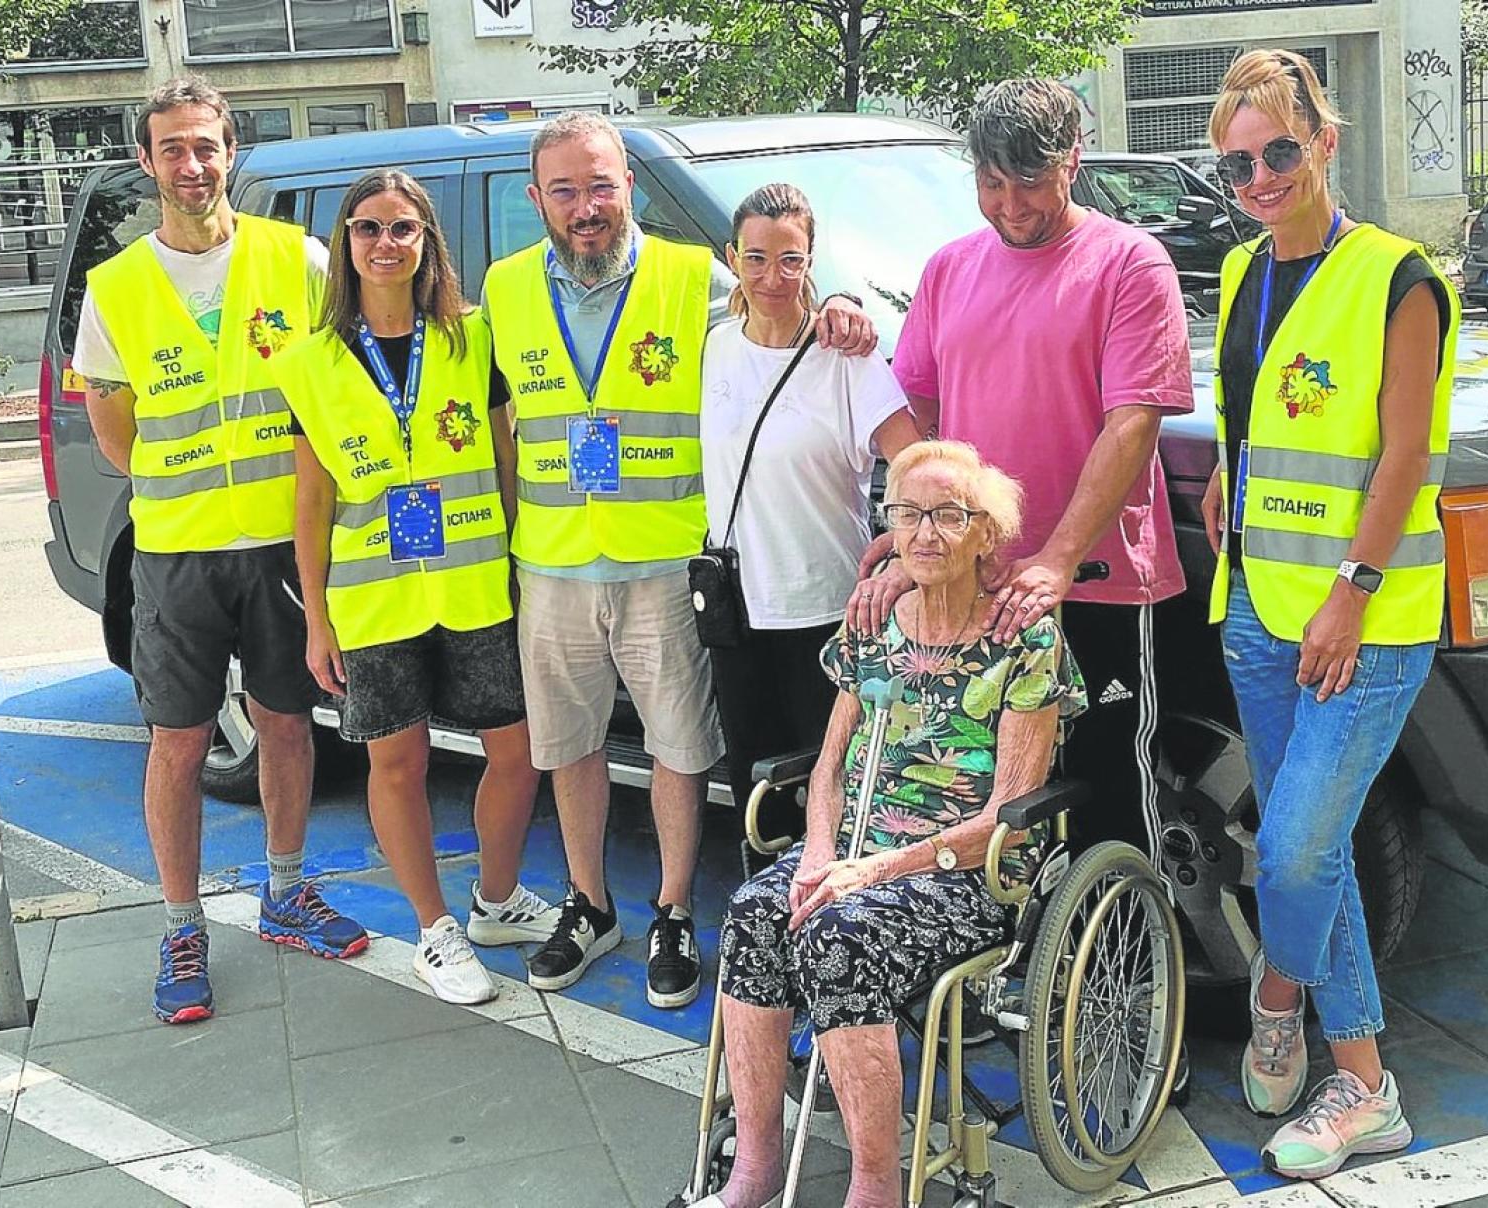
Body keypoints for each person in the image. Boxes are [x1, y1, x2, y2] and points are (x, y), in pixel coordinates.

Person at [482, 112, 876, 1010]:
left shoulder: (690, 275)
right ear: (536, 197)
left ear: (629, 186)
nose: (587, 207)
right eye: (566, 190)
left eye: (602, 186)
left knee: (680, 747)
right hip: (550, 563)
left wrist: (841, 303)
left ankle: (669, 911)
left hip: (667, 562)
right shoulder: (502, 290)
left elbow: (778, 305)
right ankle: (588, 904)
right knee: (569, 745)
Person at [703, 441, 1085, 1208]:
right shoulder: (876, 623)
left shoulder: (1025, 639)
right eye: (908, 514)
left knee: (838, 937)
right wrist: (819, 853)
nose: (926, 533)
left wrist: (869, 873)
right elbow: (829, 768)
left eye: (950, 515)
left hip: (966, 871)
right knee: (753, 913)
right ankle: (753, 1169)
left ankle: (875, 1188)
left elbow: (1004, 811)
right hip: (849, 852)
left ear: (988, 533)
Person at [1197, 50, 1456, 1180]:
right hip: (1256, 604)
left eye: (1278, 152)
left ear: (1324, 143)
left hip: (1363, 616)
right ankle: (1347, 1066)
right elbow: (1254, 414)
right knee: (1310, 845)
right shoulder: (1245, 272)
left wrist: (1352, 593)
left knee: (1296, 855)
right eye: (1237, 162)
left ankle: (1301, 1013)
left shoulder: (1400, 276)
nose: (1258, 176)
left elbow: (1405, 451)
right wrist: (1226, 475)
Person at [74, 76, 366, 1024]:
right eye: (172, 149)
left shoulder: (300, 257)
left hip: (288, 545)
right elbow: (115, 439)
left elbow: (342, 380)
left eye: (206, 145)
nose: (192, 165)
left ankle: (285, 891)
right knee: (179, 743)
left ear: (230, 151)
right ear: (147, 162)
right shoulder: (115, 288)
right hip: (179, 552)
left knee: (287, 722)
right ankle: (182, 925)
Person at [855, 78, 1195, 858]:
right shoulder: (948, 269)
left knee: (1107, 790)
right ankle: (1015, 969)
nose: (1010, 205)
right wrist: (916, 532)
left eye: (1031, 183)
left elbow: (1132, 423)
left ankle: (1125, 966)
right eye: (991, 184)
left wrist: (1057, 559)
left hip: (1098, 582)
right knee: (988, 799)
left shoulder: (1130, 264)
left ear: (1072, 161)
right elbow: (915, 427)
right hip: (976, 579)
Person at [273, 169, 558, 1006]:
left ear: (428, 240)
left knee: (516, 753)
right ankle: (435, 931)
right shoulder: (312, 362)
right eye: (368, 229)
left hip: (476, 587)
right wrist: (316, 618)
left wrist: (525, 564)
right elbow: (312, 498)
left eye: (404, 228)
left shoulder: (476, 341)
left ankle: (496, 900)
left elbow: (507, 462)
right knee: (397, 761)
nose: (386, 245)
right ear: (345, 245)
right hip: (376, 598)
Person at [702, 183, 920, 824]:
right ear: (733, 256)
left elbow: (914, 464)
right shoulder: (714, 347)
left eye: (791, 259)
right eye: (757, 258)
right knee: (755, 799)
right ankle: (764, 920)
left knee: (835, 797)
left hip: (828, 613)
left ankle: (826, 922)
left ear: (811, 261)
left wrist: (908, 552)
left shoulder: (845, 359)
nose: (774, 276)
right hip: (737, 615)